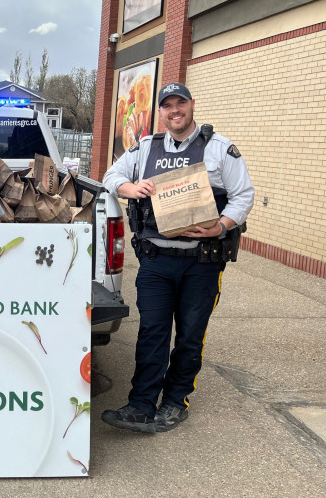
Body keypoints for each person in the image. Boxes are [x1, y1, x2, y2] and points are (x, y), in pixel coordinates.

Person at [100, 83, 254, 433]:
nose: (174, 110)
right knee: (152, 332)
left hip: (202, 262)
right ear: (161, 112)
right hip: (156, 261)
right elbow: (111, 176)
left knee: (188, 336)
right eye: (167, 105)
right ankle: (140, 405)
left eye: (179, 103)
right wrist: (129, 188)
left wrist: (222, 225)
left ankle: (174, 402)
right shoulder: (145, 148)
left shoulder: (218, 148)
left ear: (191, 105)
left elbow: (244, 195)